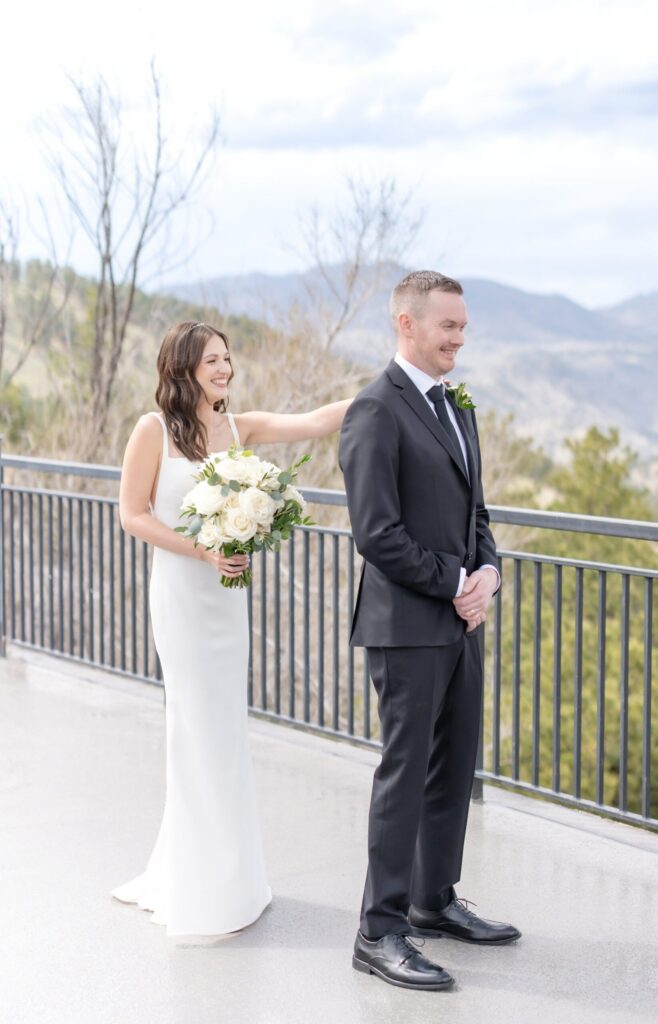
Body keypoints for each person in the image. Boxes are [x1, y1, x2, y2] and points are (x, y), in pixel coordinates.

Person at [113, 320, 350, 938]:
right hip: (184, 596)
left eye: (227, 359)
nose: (225, 369)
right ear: (183, 366)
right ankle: (197, 883)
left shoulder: (240, 427)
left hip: (227, 602)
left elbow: (316, 421)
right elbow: (132, 516)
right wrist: (201, 551)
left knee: (224, 730)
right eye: (213, 360)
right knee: (192, 727)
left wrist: (392, 389)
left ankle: (232, 875)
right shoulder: (153, 430)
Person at [339, 271, 520, 992]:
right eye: (449, 326)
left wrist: (490, 575)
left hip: (460, 623)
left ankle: (432, 900)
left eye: (464, 325)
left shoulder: (458, 408)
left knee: (455, 771)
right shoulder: (374, 411)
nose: (460, 337)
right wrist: (454, 582)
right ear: (406, 324)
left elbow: (477, 516)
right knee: (404, 774)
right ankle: (378, 931)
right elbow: (376, 535)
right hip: (408, 626)